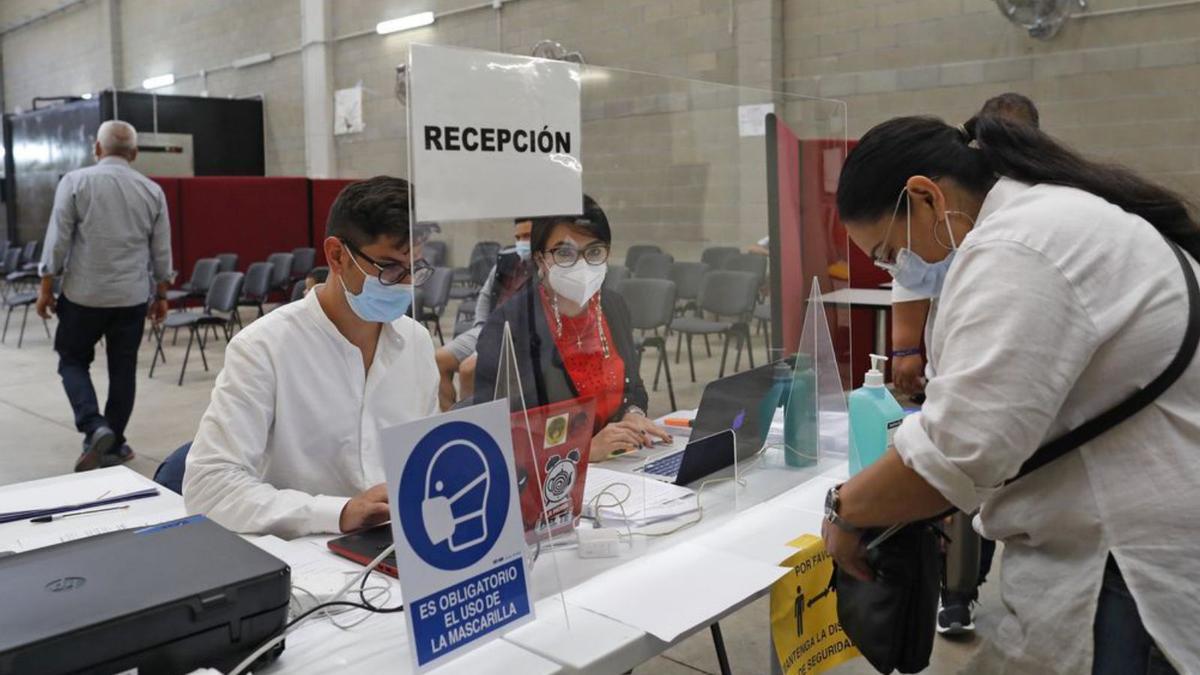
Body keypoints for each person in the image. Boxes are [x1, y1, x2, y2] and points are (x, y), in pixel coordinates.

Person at [823, 115, 1200, 673]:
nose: (902, 269)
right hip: (1129, 541)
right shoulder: (1053, 216)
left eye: (889, 252)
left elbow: (957, 451)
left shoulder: (1021, 245)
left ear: (924, 198)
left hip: (1126, 567)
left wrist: (844, 512)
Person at [183, 176, 439, 538]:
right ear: (336, 255)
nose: (405, 284)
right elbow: (209, 487)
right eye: (390, 269)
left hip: (399, 544)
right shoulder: (264, 349)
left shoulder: (415, 342)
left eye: (417, 268)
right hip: (307, 552)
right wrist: (336, 513)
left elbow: (426, 461)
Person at [887, 92, 1041, 635]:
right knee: (967, 486)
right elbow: (911, 275)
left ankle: (965, 586)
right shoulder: (957, 215)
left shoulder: (1023, 229)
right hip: (960, 366)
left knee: (974, 474)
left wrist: (847, 510)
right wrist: (908, 349)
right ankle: (957, 591)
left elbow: (958, 455)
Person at [473, 195, 670, 460]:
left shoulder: (612, 306)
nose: (583, 264)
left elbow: (633, 387)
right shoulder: (509, 326)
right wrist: (583, 450)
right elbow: (499, 437)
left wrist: (632, 414)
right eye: (565, 253)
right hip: (550, 480)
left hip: (619, 463)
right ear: (540, 258)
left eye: (595, 251)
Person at [35, 120, 173, 472]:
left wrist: (46, 287)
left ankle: (94, 426)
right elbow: (161, 252)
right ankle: (115, 443)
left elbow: (58, 240)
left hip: (83, 296)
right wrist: (161, 294)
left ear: (96, 149)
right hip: (131, 298)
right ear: (135, 153)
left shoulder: (76, 182)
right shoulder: (152, 191)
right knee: (122, 369)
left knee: (72, 360)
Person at [434, 219, 534, 409]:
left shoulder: (544, 267)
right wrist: (481, 326)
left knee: (468, 369)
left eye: (527, 236)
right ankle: (451, 418)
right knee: (439, 360)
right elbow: (486, 295)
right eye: (518, 237)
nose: (522, 242)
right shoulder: (506, 263)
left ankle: (473, 427)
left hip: (515, 337)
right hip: (488, 328)